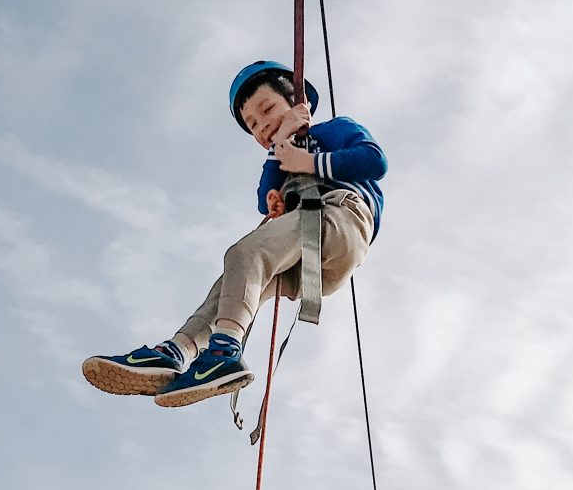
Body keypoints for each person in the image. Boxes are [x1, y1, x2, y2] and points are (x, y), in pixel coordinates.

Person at [82, 60, 387, 408]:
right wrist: (281, 169)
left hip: (341, 220)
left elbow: (374, 161)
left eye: (268, 109)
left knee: (243, 254)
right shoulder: (281, 155)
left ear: (299, 103)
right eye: (253, 125)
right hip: (309, 260)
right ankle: (177, 350)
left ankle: (224, 352)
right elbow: (262, 197)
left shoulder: (331, 132)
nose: (263, 126)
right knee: (233, 284)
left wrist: (309, 163)